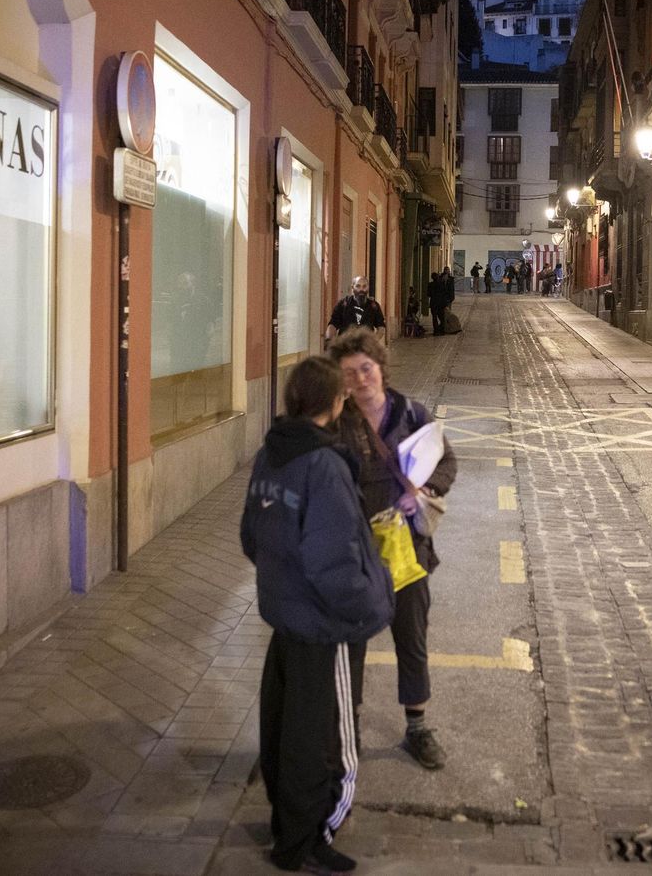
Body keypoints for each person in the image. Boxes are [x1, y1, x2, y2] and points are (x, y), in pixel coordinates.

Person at [241, 356, 394, 874]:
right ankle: (309, 838)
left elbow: (251, 537)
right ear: (334, 403)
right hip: (324, 625)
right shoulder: (324, 465)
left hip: (285, 617)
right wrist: (373, 605)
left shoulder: (271, 453)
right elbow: (333, 563)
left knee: (285, 727)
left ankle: (288, 828)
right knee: (328, 740)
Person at [329, 328, 457, 771]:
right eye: (350, 374)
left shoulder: (410, 412)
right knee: (353, 642)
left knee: (412, 637)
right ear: (341, 381)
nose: (361, 379)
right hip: (357, 552)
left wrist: (423, 487)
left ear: (380, 367)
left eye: (366, 368)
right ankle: (351, 725)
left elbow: (447, 460)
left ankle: (418, 726)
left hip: (408, 550)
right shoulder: (336, 421)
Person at [325, 276, 386, 345]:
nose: (361, 290)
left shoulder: (374, 306)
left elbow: (381, 327)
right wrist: (329, 340)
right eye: (358, 286)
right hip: (345, 346)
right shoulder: (343, 304)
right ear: (352, 287)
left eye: (364, 286)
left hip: (365, 349)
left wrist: (372, 341)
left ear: (368, 287)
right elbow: (333, 324)